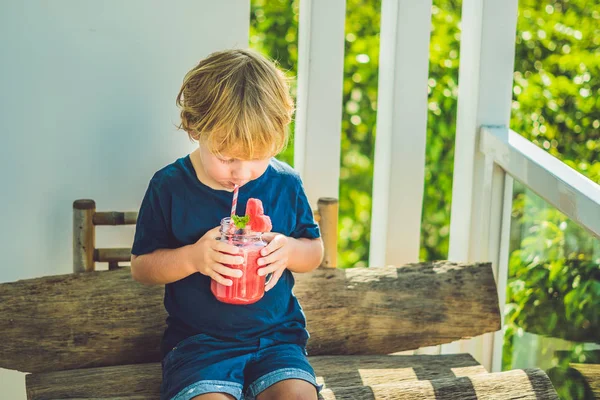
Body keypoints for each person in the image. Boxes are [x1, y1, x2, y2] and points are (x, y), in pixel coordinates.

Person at [130, 48, 324, 400]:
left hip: (277, 340)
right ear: (195, 127)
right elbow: (142, 267)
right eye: (227, 157)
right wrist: (193, 258)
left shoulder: (286, 183)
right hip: (198, 347)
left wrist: (289, 250)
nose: (241, 173)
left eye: (256, 158)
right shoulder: (169, 186)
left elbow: (314, 252)